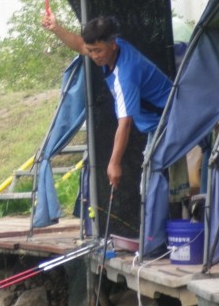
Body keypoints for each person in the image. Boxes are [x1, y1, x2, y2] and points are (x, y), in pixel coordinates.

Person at [41, 12, 173, 190]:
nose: (94, 56)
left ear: (113, 44)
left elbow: (125, 123)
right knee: (161, 185)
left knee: (150, 186)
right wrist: (56, 28)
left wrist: (114, 163)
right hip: (158, 122)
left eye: (98, 51)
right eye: (91, 51)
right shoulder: (112, 49)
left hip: (170, 120)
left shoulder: (125, 75)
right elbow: (80, 45)